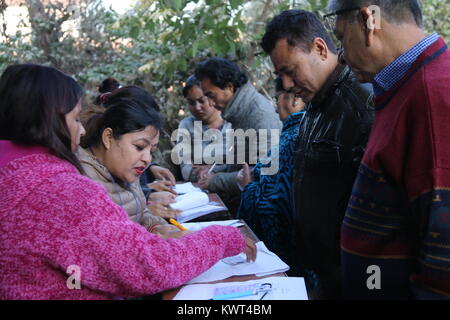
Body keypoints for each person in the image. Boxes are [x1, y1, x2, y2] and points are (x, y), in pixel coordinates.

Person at [0, 64, 256, 299]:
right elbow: (152, 267)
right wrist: (224, 238)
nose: (80, 129)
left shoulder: (16, 179)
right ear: (49, 119)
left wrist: (155, 228)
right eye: (76, 118)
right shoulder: (63, 192)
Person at [326, 0, 450, 299]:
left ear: (369, 21)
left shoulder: (433, 97)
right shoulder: (402, 89)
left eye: (341, 37)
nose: (340, 57)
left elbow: (443, 267)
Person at [261, 9, 374, 299]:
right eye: (280, 75)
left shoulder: (360, 105)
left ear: (320, 49)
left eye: (290, 70)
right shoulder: (315, 100)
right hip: (324, 275)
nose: (286, 84)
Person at [195, 57, 282, 214]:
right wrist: (217, 170)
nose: (211, 104)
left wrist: (215, 180)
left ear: (229, 87)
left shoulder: (259, 116)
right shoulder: (238, 112)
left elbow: (265, 173)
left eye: (211, 96)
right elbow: (242, 161)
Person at [237, 77, 306, 275]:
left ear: (295, 98)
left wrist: (248, 187)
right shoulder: (306, 131)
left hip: (291, 256)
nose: (276, 108)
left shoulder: (291, 141)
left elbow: (271, 205)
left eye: (277, 99)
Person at [78, 95, 181, 222]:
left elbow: (143, 213)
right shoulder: (81, 183)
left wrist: (158, 227)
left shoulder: (127, 172)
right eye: (139, 147)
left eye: (151, 151)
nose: (147, 159)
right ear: (108, 138)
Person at [176, 75, 238, 192]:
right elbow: (186, 169)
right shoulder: (186, 127)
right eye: (191, 103)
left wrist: (213, 170)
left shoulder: (233, 124)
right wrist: (200, 173)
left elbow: (238, 166)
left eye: (201, 101)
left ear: (211, 98)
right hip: (200, 191)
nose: (197, 107)